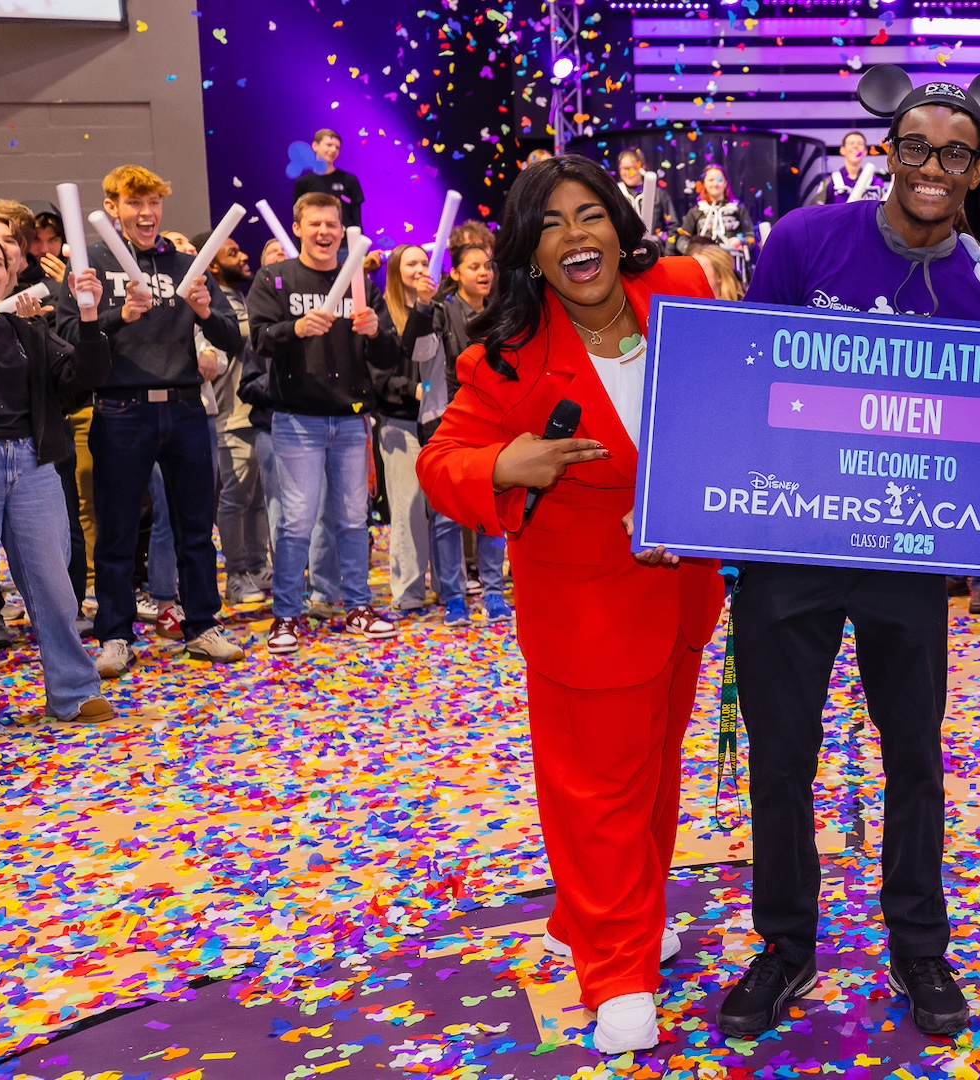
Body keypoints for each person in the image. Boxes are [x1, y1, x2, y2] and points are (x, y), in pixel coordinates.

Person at [721, 68, 980, 1043]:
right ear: (886, 152)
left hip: (908, 554)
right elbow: (746, 374)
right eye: (914, 145)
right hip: (790, 544)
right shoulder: (803, 242)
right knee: (780, 756)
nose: (930, 166)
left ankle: (919, 949)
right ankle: (784, 946)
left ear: (976, 170)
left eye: (953, 152)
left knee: (914, 761)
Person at [416, 155, 723, 1054]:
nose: (576, 235)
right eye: (551, 224)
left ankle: (623, 914)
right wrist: (504, 464)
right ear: (530, 251)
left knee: (654, 774)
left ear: (619, 225)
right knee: (599, 793)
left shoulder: (685, 290)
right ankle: (616, 968)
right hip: (583, 608)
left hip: (683, 596)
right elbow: (442, 464)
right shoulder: (507, 355)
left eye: (590, 214)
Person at [54, 165, 248, 678]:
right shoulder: (90, 261)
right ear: (112, 207)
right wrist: (120, 316)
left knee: (194, 528)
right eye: (134, 203)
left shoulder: (187, 263)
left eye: (153, 203)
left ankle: (202, 625)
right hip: (120, 409)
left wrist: (207, 312)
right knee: (117, 530)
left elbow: (235, 340)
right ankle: (115, 635)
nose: (146, 213)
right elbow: (68, 333)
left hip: (186, 407)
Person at [243, 192, 402, 653]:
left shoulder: (359, 281)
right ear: (297, 228)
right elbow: (257, 340)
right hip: (297, 419)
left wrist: (376, 332)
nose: (324, 232)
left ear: (342, 228)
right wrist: (294, 329)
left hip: (352, 420)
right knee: (295, 523)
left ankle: (358, 605)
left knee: (354, 519)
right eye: (314, 224)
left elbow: (389, 355)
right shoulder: (274, 278)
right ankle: (286, 616)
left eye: (331, 224)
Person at [0, 233, 115, 748]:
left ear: (13, 274)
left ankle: (74, 693)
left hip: (32, 466)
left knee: (56, 588)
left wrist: (90, 316)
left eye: (0, 262)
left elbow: (85, 375)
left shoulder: (27, 330)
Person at [189, 232, 269, 606]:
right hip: (229, 411)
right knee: (235, 496)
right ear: (213, 265)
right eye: (232, 252)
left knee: (257, 497)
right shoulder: (213, 306)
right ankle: (235, 573)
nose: (243, 256)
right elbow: (239, 339)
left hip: (257, 409)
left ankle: (257, 565)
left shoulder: (240, 297)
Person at [424, 242, 494, 626]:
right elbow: (427, 359)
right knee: (449, 513)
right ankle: (453, 595)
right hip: (454, 417)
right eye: (473, 266)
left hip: (495, 419)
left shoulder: (504, 312)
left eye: (487, 265)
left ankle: (494, 591)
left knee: (492, 505)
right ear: (455, 274)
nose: (483, 272)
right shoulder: (442, 313)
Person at [371, 244, 444, 614]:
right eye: (411, 263)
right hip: (398, 421)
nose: (420, 268)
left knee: (441, 510)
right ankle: (408, 589)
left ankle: (447, 584)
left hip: (436, 423)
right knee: (408, 510)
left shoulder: (437, 308)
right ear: (396, 270)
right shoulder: (383, 312)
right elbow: (378, 375)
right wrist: (417, 390)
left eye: (425, 262)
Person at [292, 128, 366, 230]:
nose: (333, 150)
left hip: (344, 241)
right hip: (313, 239)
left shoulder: (349, 180)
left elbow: (356, 219)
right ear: (315, 146)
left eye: (337, 147)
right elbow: (298, 217)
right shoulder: (303, 182)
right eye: (329, 145)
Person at [682, 165, 749, 254]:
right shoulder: (696, 211)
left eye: (719, 180)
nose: (715, 184)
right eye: (710, 180)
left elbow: (750, 236)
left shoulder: (738, 209)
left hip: (732, 260)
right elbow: (682, 238)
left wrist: (741, 240)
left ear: (725, 183)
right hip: (704, 259)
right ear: (704, 184)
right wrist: (692, 250)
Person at [812, 131, 889, 205]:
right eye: (851, 143)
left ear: (865, 151)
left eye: (860, 144)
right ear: (842, 150)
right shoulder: (830, 182)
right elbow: (816, 211)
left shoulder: (875, 182)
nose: (855, 146)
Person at [615, 148, 676, 238]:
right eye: (625, 168)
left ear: (642, 168)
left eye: (633, 168)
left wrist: (667, 251)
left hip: (656, 249)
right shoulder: (615, 194)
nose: (629, 173)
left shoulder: (658, 194)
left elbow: (672, 226)